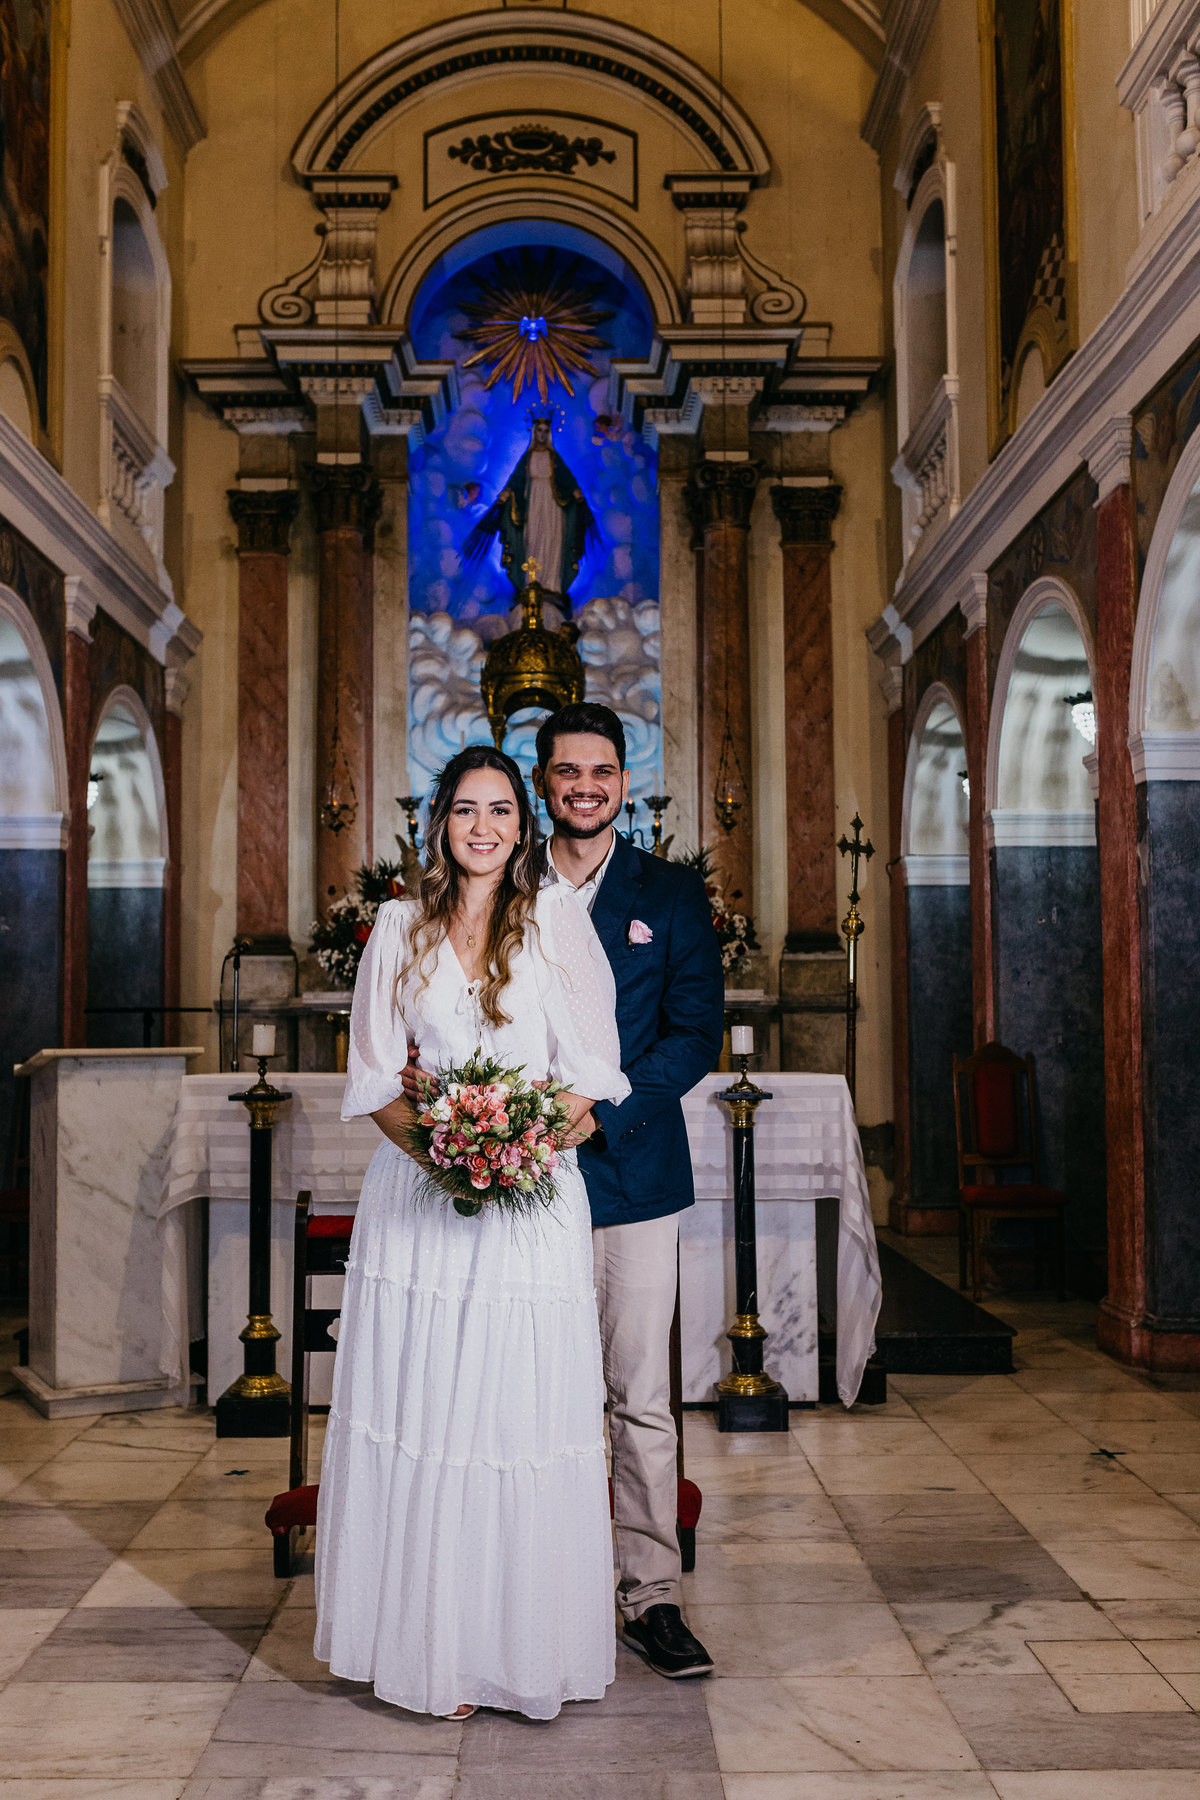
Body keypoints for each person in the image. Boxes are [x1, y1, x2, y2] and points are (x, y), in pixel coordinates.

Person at [404, 703, 726, 1680]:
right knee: (519, 1397)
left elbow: (691, 1031)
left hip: (629, 1179)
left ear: (625, 781)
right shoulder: (499, 876)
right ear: (541, 784)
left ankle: (649, 1596)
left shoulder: (668, 894)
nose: (585, 787)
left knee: (637, 1398)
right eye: (566, 772)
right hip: (519, 1192)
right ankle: (527, 1596)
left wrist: (602, 1113)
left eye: (603, 771)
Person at [314, 745, 630, 1721]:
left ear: (523, 824)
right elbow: (372, 1078)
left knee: (512, 1417)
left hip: (532, 1202)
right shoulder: (398, 930)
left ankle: (517, 1649)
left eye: (500, 809)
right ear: (440, 826)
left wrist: (520, 1155)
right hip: (421, 1200)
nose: (483, 826)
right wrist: (451, 1159)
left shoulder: (560, 922)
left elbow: (594, 1074)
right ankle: (430, 1650)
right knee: (425, 1415)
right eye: (464, 810)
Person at [461, 410, 599, 604]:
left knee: (552, 540)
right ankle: (531, 582)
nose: (541, 434)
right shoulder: (528, 458)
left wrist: (575, 491)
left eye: (545, 431)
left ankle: (552, 584)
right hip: (532, 504)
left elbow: (567, 479)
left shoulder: (554, 458)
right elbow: (516, 479)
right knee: (533, 539)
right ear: (534, 432)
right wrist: (506, 492)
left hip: (554, 506)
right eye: (538, 430)